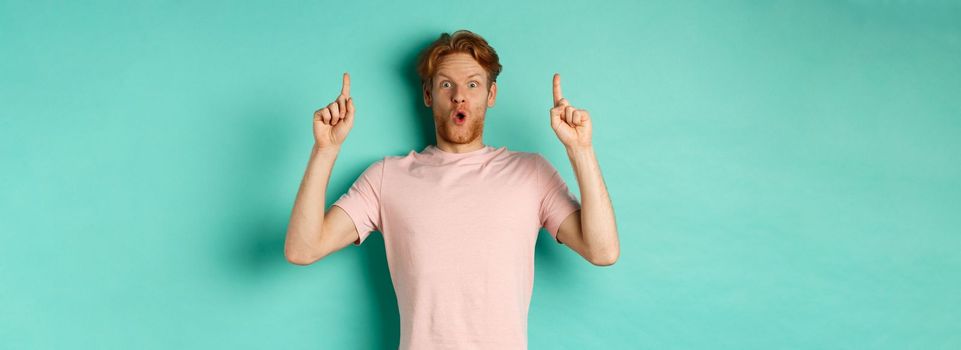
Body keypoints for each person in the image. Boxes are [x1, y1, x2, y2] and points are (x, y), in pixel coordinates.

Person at [284, 29, 619, 349]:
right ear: (429, 95)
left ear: (491, 95)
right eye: (446, 84)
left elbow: (602, 251)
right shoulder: (387, 177)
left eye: (473, 84)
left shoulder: (531, 172)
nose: (459, 95)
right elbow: (303, 249)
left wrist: (581, 149)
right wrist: (325, 150)